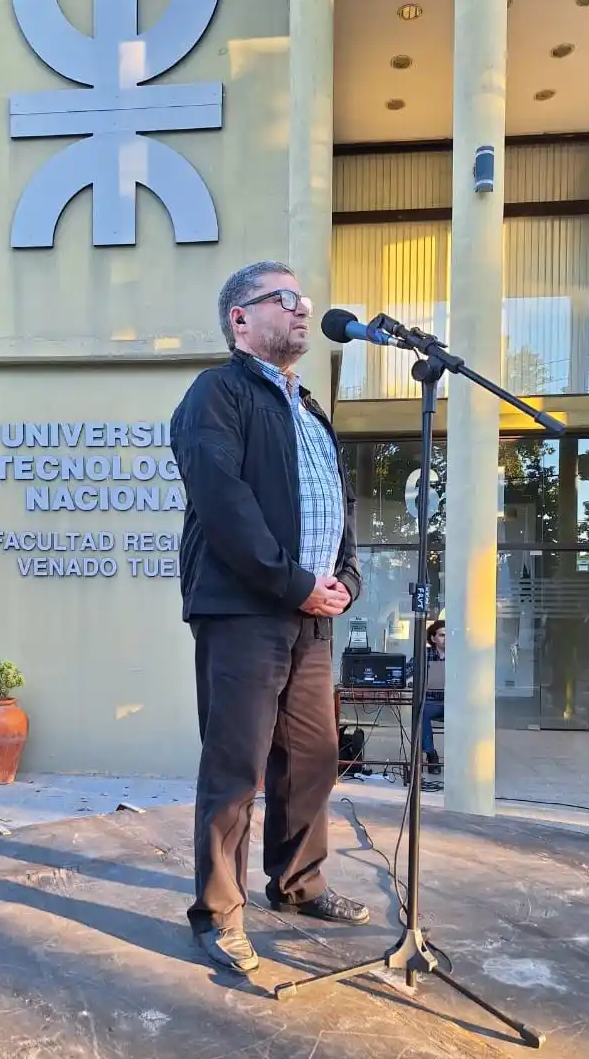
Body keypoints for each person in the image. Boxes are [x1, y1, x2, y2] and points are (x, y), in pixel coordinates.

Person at [170, 260, 369, 975]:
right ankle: (218, 914)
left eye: (303, 298)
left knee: (312, 759)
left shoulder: (308, 408)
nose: (302, 308)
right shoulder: (216, 394)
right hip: (243, 612)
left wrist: (346, 579)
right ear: (240, 318)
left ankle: (297, 883)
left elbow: (338, 505)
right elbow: (225, 505)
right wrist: (294, 584)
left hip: (310, 616)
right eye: (285, 298)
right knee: (237, 766)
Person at [405, 619, 446, 775]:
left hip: (453, 703)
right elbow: (407, 671)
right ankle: (431, 754)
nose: (446, 639)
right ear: (433, 638)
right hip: (431, 702)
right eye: (442, 635)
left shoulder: (459, 656)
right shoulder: (424, 654)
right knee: (421, 713)